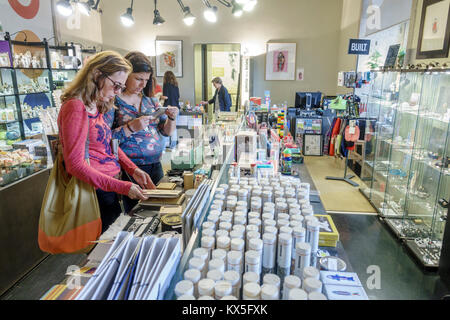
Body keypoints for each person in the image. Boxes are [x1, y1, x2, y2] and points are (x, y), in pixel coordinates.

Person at [58, 51, 152, 233]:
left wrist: (133, 169)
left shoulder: (95, 102)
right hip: (94, 192)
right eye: (116, 85)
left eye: (121, 87)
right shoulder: (76, 107)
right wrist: (123, 186)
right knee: (103, 247)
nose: (117, 92)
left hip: (108, 187)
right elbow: (75, 165)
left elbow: (108, 144)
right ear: (97, 75)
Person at [105, 51, 179, 213]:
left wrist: (171, 119)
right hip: (131, 167)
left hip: (156, 163)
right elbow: (104, 139)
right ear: (125, 75)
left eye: (146, 80)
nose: (143, 85)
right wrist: (130, 128)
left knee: (161, 206)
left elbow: (165, 133)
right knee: (140, 211)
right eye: (138, 79)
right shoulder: (113, 102)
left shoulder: (150, 100)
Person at [163, 71, 180, 148]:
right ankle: (174, 145)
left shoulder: (166, 84)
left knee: (168, 127)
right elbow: (178, 96)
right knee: (174, 128)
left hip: (169, 108)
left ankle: (168, 145)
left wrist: (160, 96)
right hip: (176, 108)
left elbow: (165, 97)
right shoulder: (176, 85)